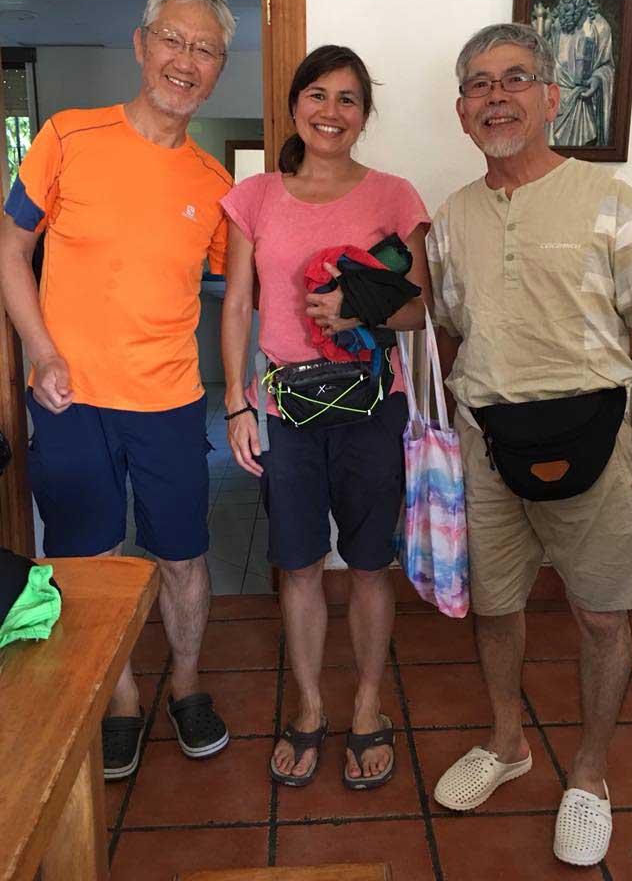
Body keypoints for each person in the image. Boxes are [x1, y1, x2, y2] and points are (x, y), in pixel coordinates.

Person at [427, 22, 632, 866]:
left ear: (550, 97)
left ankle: (588, 775)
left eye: (514, 79)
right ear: (462, 111)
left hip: (595, 439)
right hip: (489, 444)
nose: (496, 97)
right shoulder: (451, 217)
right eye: (478, 84)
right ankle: (508, 743)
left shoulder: (612, 198)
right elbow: (449, 328)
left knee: (600, 614)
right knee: (496, 605)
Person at [0, 0, 236, 780]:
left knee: (183, 557)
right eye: (172, 38)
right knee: (92, 560)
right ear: (141, 45)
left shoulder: (215, 187)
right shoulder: (69, 136)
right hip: (72, 402)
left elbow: (238, 288)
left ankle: (188, 686)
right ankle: (122, 697)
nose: (185, 59)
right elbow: (10, 247)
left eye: (205, 49)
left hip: (170, 403)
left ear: (218, 69)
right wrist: (42, 351)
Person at [220, 45, 431, 789]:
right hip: (287, 409)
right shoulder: (254, 197)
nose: (331, 111)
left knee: (370, 566)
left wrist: (355, 310)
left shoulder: (395, 197)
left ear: (365, 115)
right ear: (295, 105)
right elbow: (238, 304)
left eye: (348, 99)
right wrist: (236, 400)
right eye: (317, 94)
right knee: (300, 565)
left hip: (371, 406)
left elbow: (418, 308)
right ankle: (309, 705)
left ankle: (368, 704)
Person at [546, 0, 614, 146]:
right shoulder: (553, 27)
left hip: (583, 116)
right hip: (552, 114)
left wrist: (597, 79)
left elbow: (607, 68)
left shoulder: (599, 27)